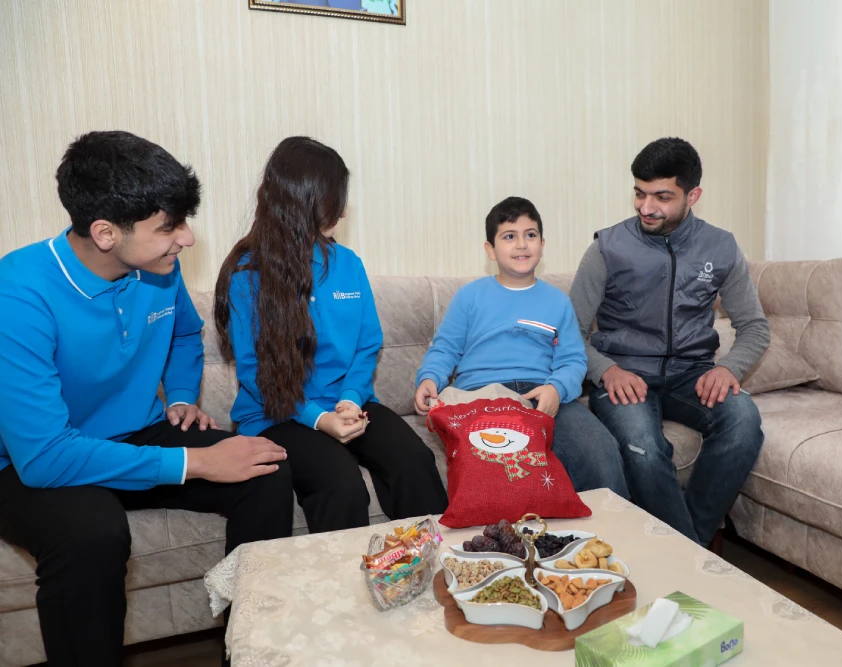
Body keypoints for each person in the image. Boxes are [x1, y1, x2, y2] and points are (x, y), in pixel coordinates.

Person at [0, 131, 293, 666]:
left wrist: (180, 395)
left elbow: (184, 334)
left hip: (132, 432)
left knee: (264, 469)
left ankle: (251, 652)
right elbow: (45, 457)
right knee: (92, 533)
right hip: (32, 462)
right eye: (169, 226)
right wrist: (197, 462)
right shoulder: (18, 294)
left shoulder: (157, 270)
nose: (187, 238)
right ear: (105, 232)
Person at [214, 136, 448, 533]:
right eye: (334, 196)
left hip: (347, 402)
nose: (341, 208)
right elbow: (257, 375)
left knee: (414, 461)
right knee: (341, 484)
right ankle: (343, 575)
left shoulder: (347, 263)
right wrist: (319, 419)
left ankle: (431, 561)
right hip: (280, 413)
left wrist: (350, 397)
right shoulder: (248, 276)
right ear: (302, 200)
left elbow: (367, 343)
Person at [570, 137, 769, 547]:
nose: (646, 207)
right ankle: (693, 558)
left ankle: (684, 550)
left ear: (692, 196)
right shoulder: (606, 248)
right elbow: (569, 332)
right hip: (624, 376)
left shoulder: (721, 247)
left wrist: (728, 369)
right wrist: (606, 370)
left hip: (691, 375)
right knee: (642, 445)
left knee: (744, 422)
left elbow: (755, 327)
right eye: (639, 194)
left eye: (662, 197)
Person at [414, 196, 630, 498]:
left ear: (542, 244)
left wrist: (556, 389)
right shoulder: (469, 297)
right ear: (490, 249)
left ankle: (610, 525)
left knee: (600, 450)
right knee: (497, 470)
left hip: (542, 392)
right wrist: (429, 378)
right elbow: (445, 349)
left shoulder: (558, 301)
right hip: (481, 394)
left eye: (530, 235)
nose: (521, 245)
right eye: (509, 237)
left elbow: (572, 360)